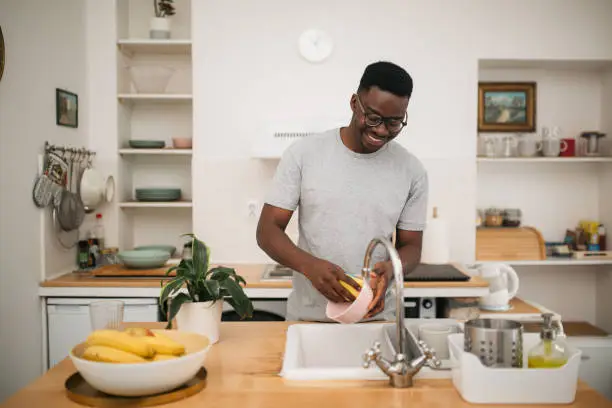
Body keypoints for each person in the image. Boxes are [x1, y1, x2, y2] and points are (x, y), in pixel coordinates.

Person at [256, 61, 429, 322]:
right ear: (353, 103)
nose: (381, 130)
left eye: (394, 123)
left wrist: (394, 267)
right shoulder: (304, 154)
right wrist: (309, 265)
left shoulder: (411, 170)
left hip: (378, 319)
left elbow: (412, 247)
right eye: (373, 118)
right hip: (310, 319)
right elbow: (267, 231)